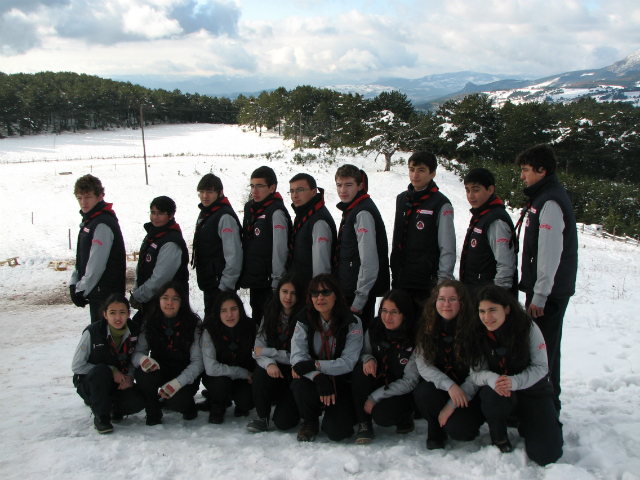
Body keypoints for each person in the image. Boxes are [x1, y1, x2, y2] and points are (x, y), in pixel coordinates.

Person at [464, 285, 563, 466]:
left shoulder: (527, 328)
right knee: (475, 412)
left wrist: (514, 381)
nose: (487, 317)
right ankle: (498, 431)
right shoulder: (477, 331)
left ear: (507, 309)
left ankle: (534, 421)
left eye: (493, 310)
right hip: (499, 392)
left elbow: (541, 368)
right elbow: (476, 373)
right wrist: (493, 380)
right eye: (482, 311)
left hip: (532, 391)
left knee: (546, 454)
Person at [515, 144, 578, 413]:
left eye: (526, 171)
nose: (522, 177)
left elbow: (550, 253)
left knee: (544, 351)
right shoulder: (542, 197)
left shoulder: (550, 201)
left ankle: (547, 410)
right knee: (543, 348)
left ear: (543, 171)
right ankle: (542, 405)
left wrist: (540, 294)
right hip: (546, 290)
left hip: (549, 294)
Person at [290, 274, 364, 442]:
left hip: (341, 382)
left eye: (326, 292)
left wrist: (314, 365)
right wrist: (317, 376)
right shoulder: (303, 320)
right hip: (314, 381)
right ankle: (310, 421)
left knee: (337, 433)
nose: (320, 297)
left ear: (336, 294)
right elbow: (297, 358)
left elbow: (348, 362)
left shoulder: (352, 322)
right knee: (299, 382)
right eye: (315, 294)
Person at [412, 280, 484, 450]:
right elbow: (424, 366)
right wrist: (449, 386)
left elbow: (478, 373)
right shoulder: (428, 326)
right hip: (445, 388)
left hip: (468, 394)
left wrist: (452, 403)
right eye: (441, 299)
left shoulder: (475, 329)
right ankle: (435, 430)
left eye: (452, 299)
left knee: (459, 431)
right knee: (423, 393)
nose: (446, 304)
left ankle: (461, 422)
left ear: (462, 302)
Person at [390, 151, 456, 311]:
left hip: (426, 283)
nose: (415, 175)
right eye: (412, 169)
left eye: (421, 170)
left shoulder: (441, 204)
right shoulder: (402, 199)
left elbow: (447, 248)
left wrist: (442, 282)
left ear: (432, 173)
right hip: (401, 278)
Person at [351, 289, 419, 444]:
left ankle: (405, 415)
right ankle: (364, 423)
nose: (387, 317)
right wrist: (368, 358)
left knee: (383, 416)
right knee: (359, 371)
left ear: (404, 314)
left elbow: (411, 381)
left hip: (401, 390)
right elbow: (363, 351)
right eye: (384, 311)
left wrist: (376, 397)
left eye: (394, 312)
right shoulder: (375, 328)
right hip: (379, 380)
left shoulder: (414, 337)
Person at [72, 294, 144, 433]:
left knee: (137, 402)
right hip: (91, 382)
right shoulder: (93, 332)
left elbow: (133, 358)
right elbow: (77, 366)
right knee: (101, 371)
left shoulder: (135, 330)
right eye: (112, 313)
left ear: (129, 314)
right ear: (105, 314)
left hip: (117, 382)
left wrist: (129, 376)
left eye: (122, 312)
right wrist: (111, 370)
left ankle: (113, 409)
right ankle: (101, 416)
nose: (118, 317)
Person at [132, 281, 203, 425]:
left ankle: (187, 405)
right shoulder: (149, 322)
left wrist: (177, 383)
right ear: (158, 300)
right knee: (142, 374)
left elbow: (198, 363)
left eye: (175, 298)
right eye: (165, 298)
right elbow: (138, 352)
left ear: (181, 302)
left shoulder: (193, 324)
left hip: (184, 374)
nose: (169, 302)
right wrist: (143, 360)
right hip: (160, 369)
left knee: (177, 403)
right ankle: (153, 411)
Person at [246, 273, 305, 432]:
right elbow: (257, 349)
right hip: (274, 371)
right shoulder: (271, 313)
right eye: (285, 292)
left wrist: (269, 352)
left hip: (294, 374)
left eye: (293, 293)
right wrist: (270, 363)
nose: (288, 297)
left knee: (283, 423)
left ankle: (295, 408)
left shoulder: (304, 318)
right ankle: (262, 416)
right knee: (260, 373)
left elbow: (297, 357)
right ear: (278, 292)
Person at [333, 165, 389, 328]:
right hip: (349, 289)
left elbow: (369, 261)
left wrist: (359, 300)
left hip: (356, 295)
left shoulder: (362, 213)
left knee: (355, 343)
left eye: (348, 185)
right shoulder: (353, 209)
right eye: (339, 185)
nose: (343, 190)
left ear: (360, 186)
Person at [238, 166, 291, 323]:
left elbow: (280, 249)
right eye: (252, 186)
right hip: (255, 278)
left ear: (272, 188)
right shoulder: (251, 207)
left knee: (269, 321)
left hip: (269, 281)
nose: (255, 190)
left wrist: (277, 280)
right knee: (256, 316)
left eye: (260, 186)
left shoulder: (276, 212)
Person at [70, 175, 126, 323]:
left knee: (105, 339)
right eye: (80, 198)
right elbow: (82, 257)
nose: (83, 202)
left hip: (107, 296)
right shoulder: (90, 221)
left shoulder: (102, 223)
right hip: (97, 293)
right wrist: (73, 282)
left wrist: (82, 289)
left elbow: (97, 263)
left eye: (88, 197)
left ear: (100, 196)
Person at [200, 291, 257, 424]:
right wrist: (244, 373)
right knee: (220, 386)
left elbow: (260, 352)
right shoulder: (210, 330)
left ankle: (240, 402)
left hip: (243, 377)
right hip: (218, 377)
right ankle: (217, 404)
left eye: (233, 309)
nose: (229, 315)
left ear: (240, 309)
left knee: (246, 402)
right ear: (218, 313)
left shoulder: (250, 326)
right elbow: (211, 368)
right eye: (224, 311)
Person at [459, 168, 518, 297]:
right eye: (468, 190)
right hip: (476, 295)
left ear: (490, 190)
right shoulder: (481, 216)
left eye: (476, 190)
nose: (471, 195)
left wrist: (497, 297)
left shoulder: (496, 221)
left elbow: (505, 265)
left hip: (489, 300)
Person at [131, 196, 189, 321]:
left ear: (171, 215)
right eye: (153, 213)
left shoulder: (171, 242)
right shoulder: (153, 235)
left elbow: (160, 279)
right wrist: (137, 290)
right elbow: (141, 267)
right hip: (151, 303)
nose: (155, 217)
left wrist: (139, 296)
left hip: (168, 306)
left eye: (161, 213)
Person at [192, 173, 243, 317]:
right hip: (209, 282)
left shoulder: (224, 217)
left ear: (220, 192)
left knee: (221, 325)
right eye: (201, 192)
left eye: (209, 191)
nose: (204, 196)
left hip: (220, 285)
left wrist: (225, 286)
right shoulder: (206, 213)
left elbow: (234, 255)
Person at [286, 173, 336, 291]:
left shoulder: (319, 221)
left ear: (314, 191)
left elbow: (321, 266)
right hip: (300, 287)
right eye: (292, 191)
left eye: (300, 190)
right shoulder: (305, 215)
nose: (295, 195)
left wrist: (317, 292)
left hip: (310, 291)